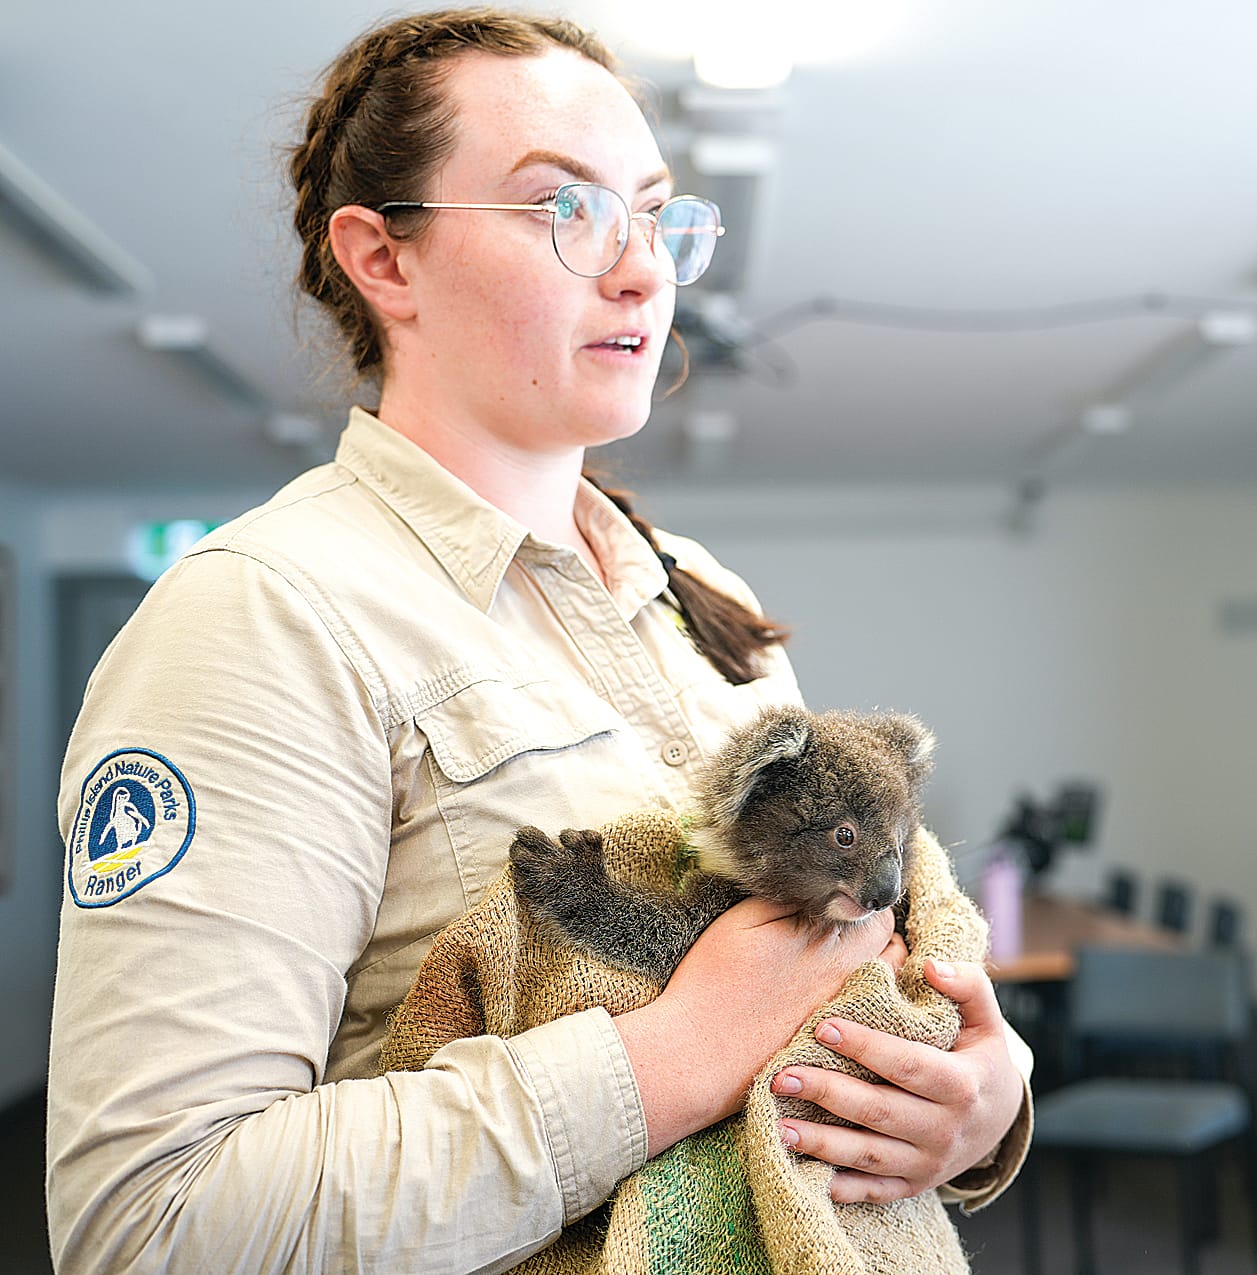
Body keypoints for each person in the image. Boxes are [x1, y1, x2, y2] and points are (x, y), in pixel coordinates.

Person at [45, 10, 1029, 1272]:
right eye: (565, 210)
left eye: (658, 217)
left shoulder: (699, 592)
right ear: (384, 260)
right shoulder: (265, 615)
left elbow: (833, 970)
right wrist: (676, 1054)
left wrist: (977, 1107)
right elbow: (150, 1226)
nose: (642, 273)